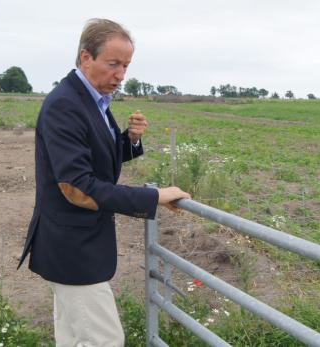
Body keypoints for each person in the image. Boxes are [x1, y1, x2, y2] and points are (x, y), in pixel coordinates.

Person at [17, 18, 190, 346]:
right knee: (105, 340)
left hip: (73, 247)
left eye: (126, 65)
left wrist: (130, 140)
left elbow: (94, 158)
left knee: (72, 339)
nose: (121, 75)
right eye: (113, 64)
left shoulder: (90, 99)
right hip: (72, 251)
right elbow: (77, 186)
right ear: (85, 57)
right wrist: (153, 196)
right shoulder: (65, 106)